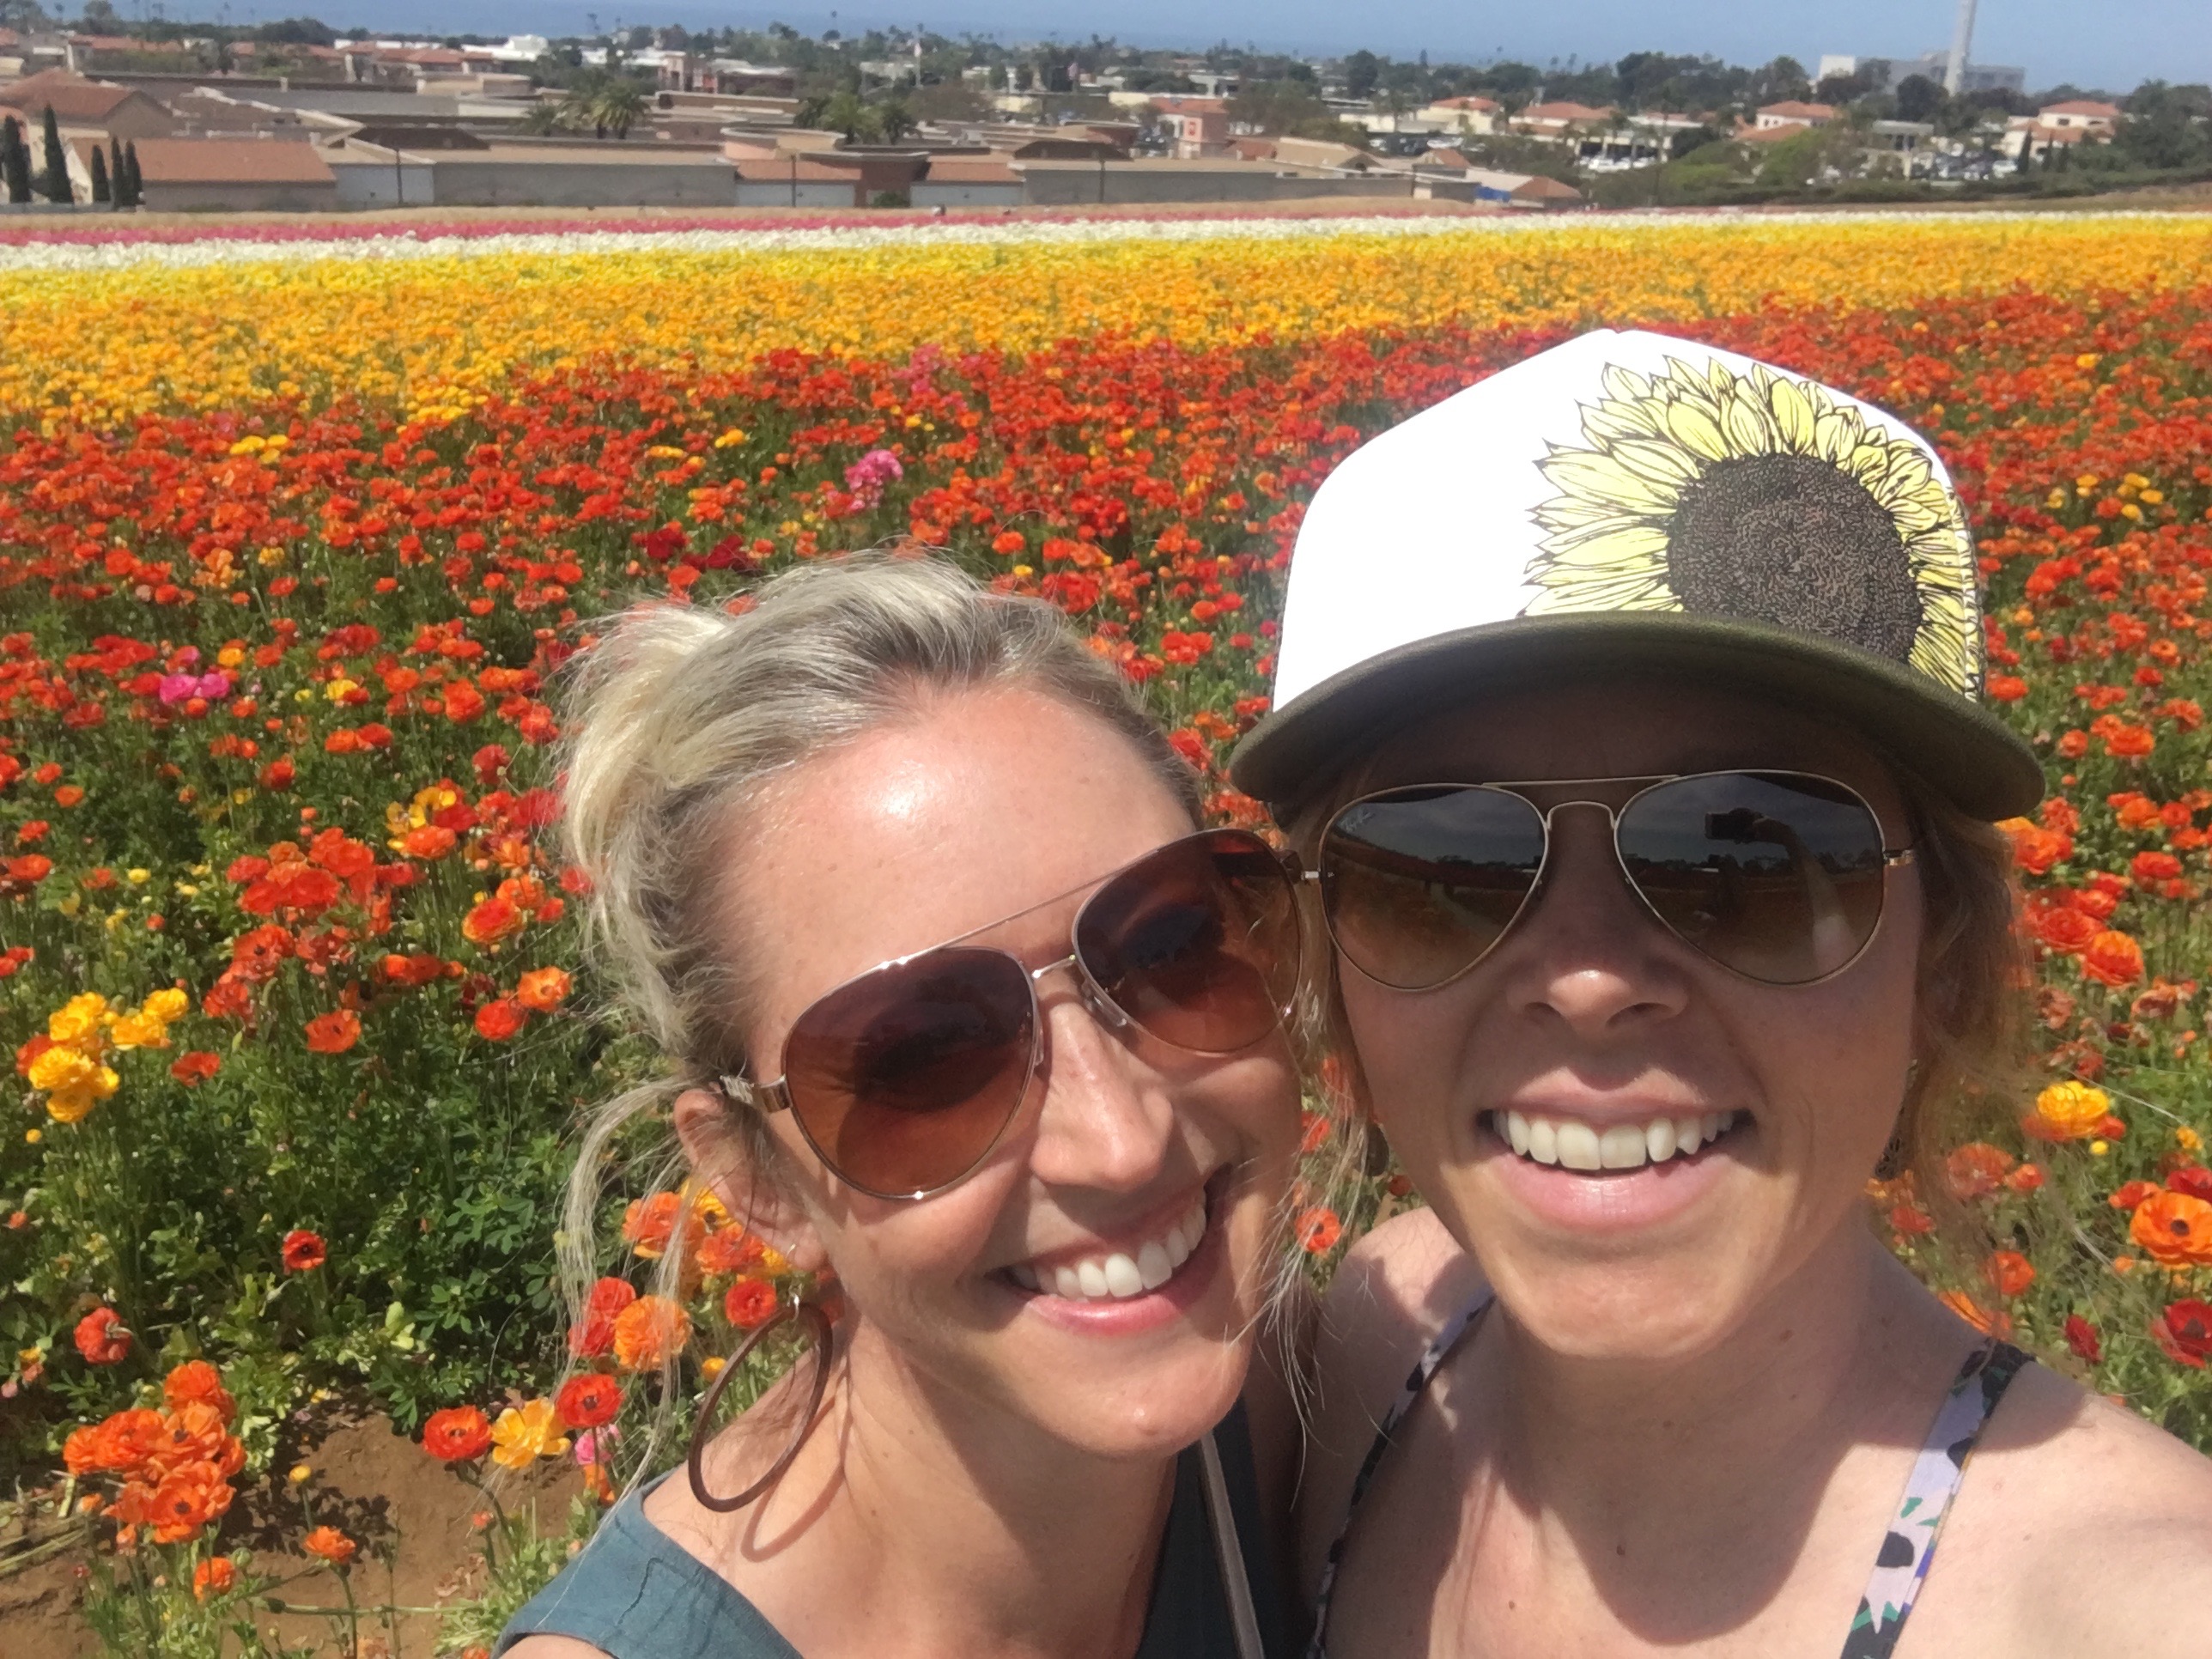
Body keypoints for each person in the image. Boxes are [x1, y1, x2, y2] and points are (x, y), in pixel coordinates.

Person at [1225, 330, 2212, 1658]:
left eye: (1744, 859)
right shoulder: (1368, 1352)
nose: (1589, 980)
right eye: (1446, 865)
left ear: (1941, 951)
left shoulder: (2131, 1613)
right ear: (1327, 955)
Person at [500, 551, 1307, 1659]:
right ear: (758, 1181)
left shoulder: (1319, 1413)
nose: (1122, 1143)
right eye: (928, 1055)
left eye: (1172, 945)